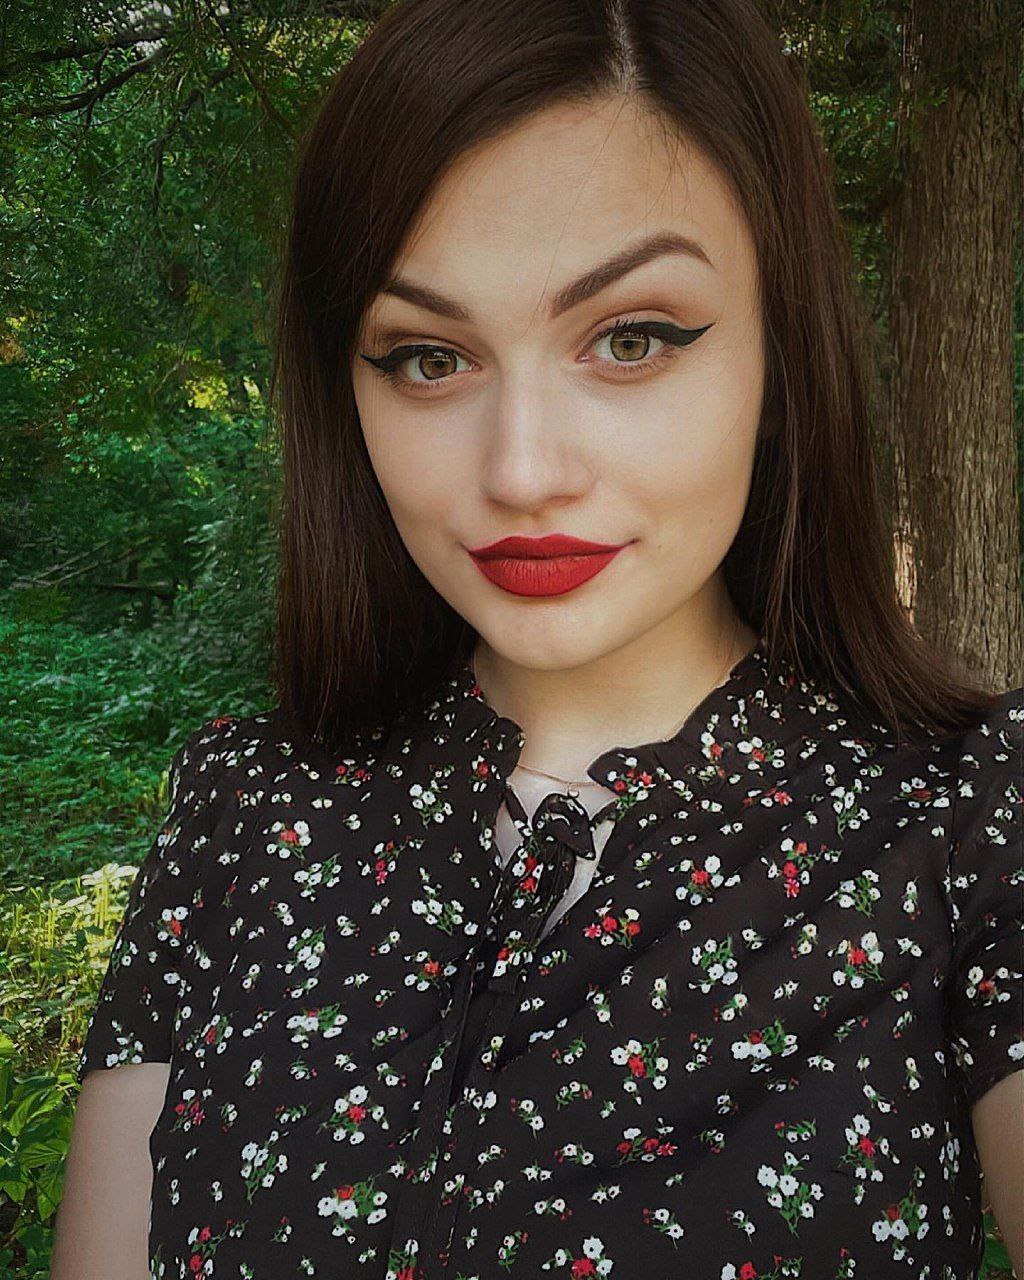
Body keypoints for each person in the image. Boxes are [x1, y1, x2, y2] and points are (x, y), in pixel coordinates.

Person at [53, 0, 1023, 1277]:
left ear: (782, 353)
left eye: (630, 338)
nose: (520, 471)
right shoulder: (241, 807)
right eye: (427, 357)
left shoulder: (968, 818)